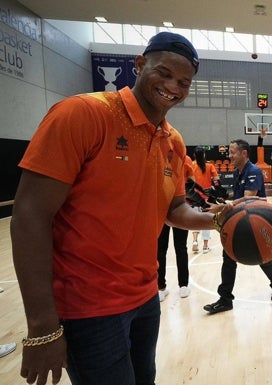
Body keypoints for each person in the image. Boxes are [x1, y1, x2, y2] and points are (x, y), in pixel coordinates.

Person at [10, 32, 235, 385]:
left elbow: (174, 209)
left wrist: (220, 218)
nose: (173, 87)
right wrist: (42, 326)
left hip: (145, 298)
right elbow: (29, 216)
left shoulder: (172, 141)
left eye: (183, 82)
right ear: (140, 64)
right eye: (163, 73)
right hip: (88, 308)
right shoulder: (82, 114)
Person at [203, 139, 272, 314]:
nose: (229, 155)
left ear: (244, 153)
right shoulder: (238, 172)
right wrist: (223, 202)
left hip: (255, 221)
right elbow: (238, 199)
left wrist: (224, 206)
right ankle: (225, 299)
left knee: (263, 257)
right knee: (229, 258)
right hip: (239, 221)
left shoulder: (253, 171)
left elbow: (248, 199)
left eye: (232, 152)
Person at [157, 155, 194, 301]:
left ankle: (174, 285)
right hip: (169, 209)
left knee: (172, 248)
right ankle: (171, 286)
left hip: (172, 209)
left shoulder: (183, 159)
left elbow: (191, 183)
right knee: (169, 248)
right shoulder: (160, 158)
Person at [191, 146, 220, 253]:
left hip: (194, 196)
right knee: (206, 220)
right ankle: (205, 246)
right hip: (206, 196)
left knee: (195, 220)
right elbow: (217, 180)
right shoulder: (209, 166)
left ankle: (194, 241)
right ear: (204, 154)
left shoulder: (191, 165)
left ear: (194, 155)